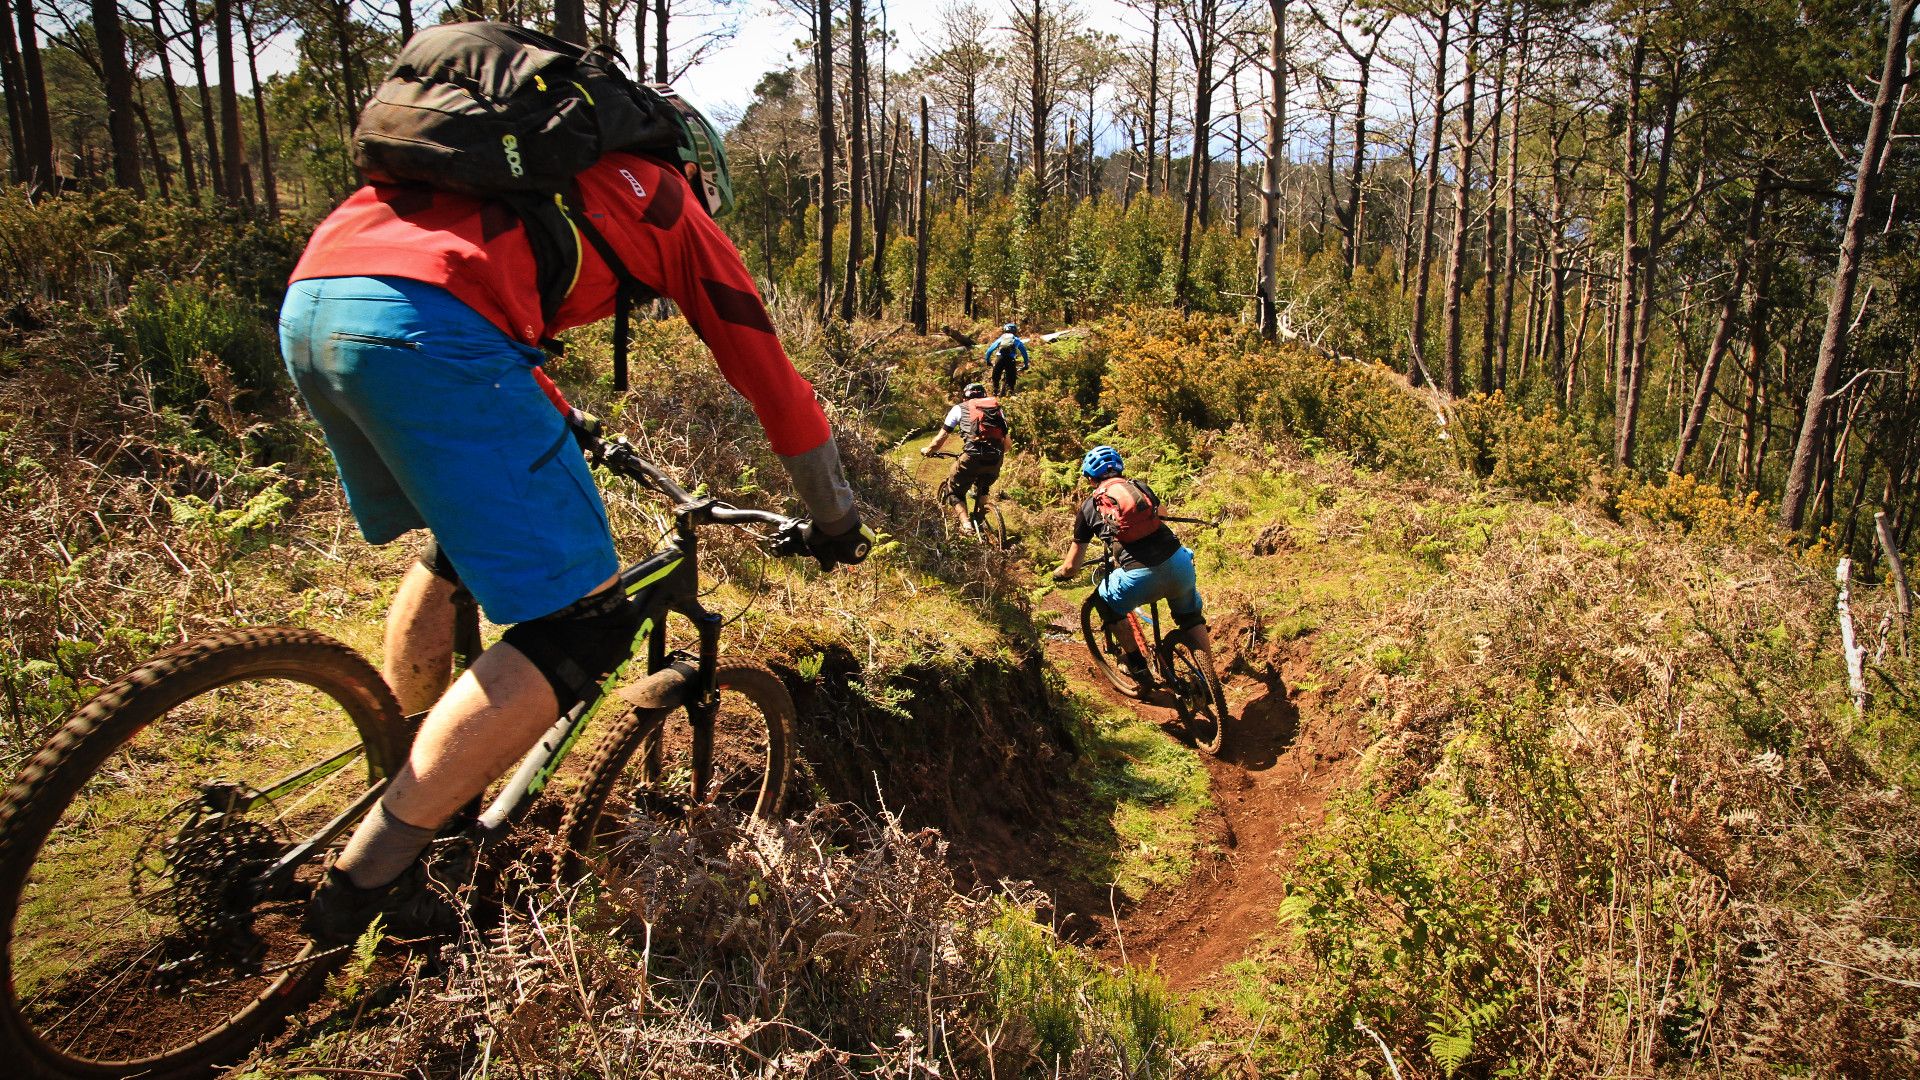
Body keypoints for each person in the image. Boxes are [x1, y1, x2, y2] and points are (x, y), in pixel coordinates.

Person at [280, 133, 875, 944]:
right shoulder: (665, 201)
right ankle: (371, 878)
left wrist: (561, 414)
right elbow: (774, 379)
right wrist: (835, 519)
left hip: (316, 301)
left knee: (453, 545)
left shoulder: (527, 174)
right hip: (428, 334)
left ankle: (413, 762)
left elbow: (487, 303)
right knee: (584, 626)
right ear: (692, 168)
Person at [1050, 446, 1210, 686]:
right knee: (1191, 618)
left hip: (1139, 577)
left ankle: (1137, 666)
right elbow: (1163, 515)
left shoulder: (1088, 507)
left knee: (1106, 605)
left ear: (1090, 478)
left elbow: (1072, 565)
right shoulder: (1139, 487)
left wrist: (1061, 574)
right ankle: (1209, 678)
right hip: (1179, 564)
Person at [921, 383, 1010, 526]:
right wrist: (992, 453)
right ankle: (981, 519)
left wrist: (929, 450)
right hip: (996, 458)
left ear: (964, 397)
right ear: (984, 396)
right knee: (984, 485)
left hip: (972, 457)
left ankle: (966, 525)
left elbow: (941, 438)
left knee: (954, 489)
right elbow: (1008, 445)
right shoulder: (996, 409)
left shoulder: (958, 409)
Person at [984, 323, 1031, 395]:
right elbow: (1024, 353)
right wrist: (1026, 364)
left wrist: (988, 361)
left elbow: (989, 351)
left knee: (996, 376)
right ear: (1015, 331)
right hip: (1010, 360)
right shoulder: (1016, 340)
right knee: (1011, 378)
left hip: (1000, 359)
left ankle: (995, 389)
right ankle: (1010, 392)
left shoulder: (1001, 339)